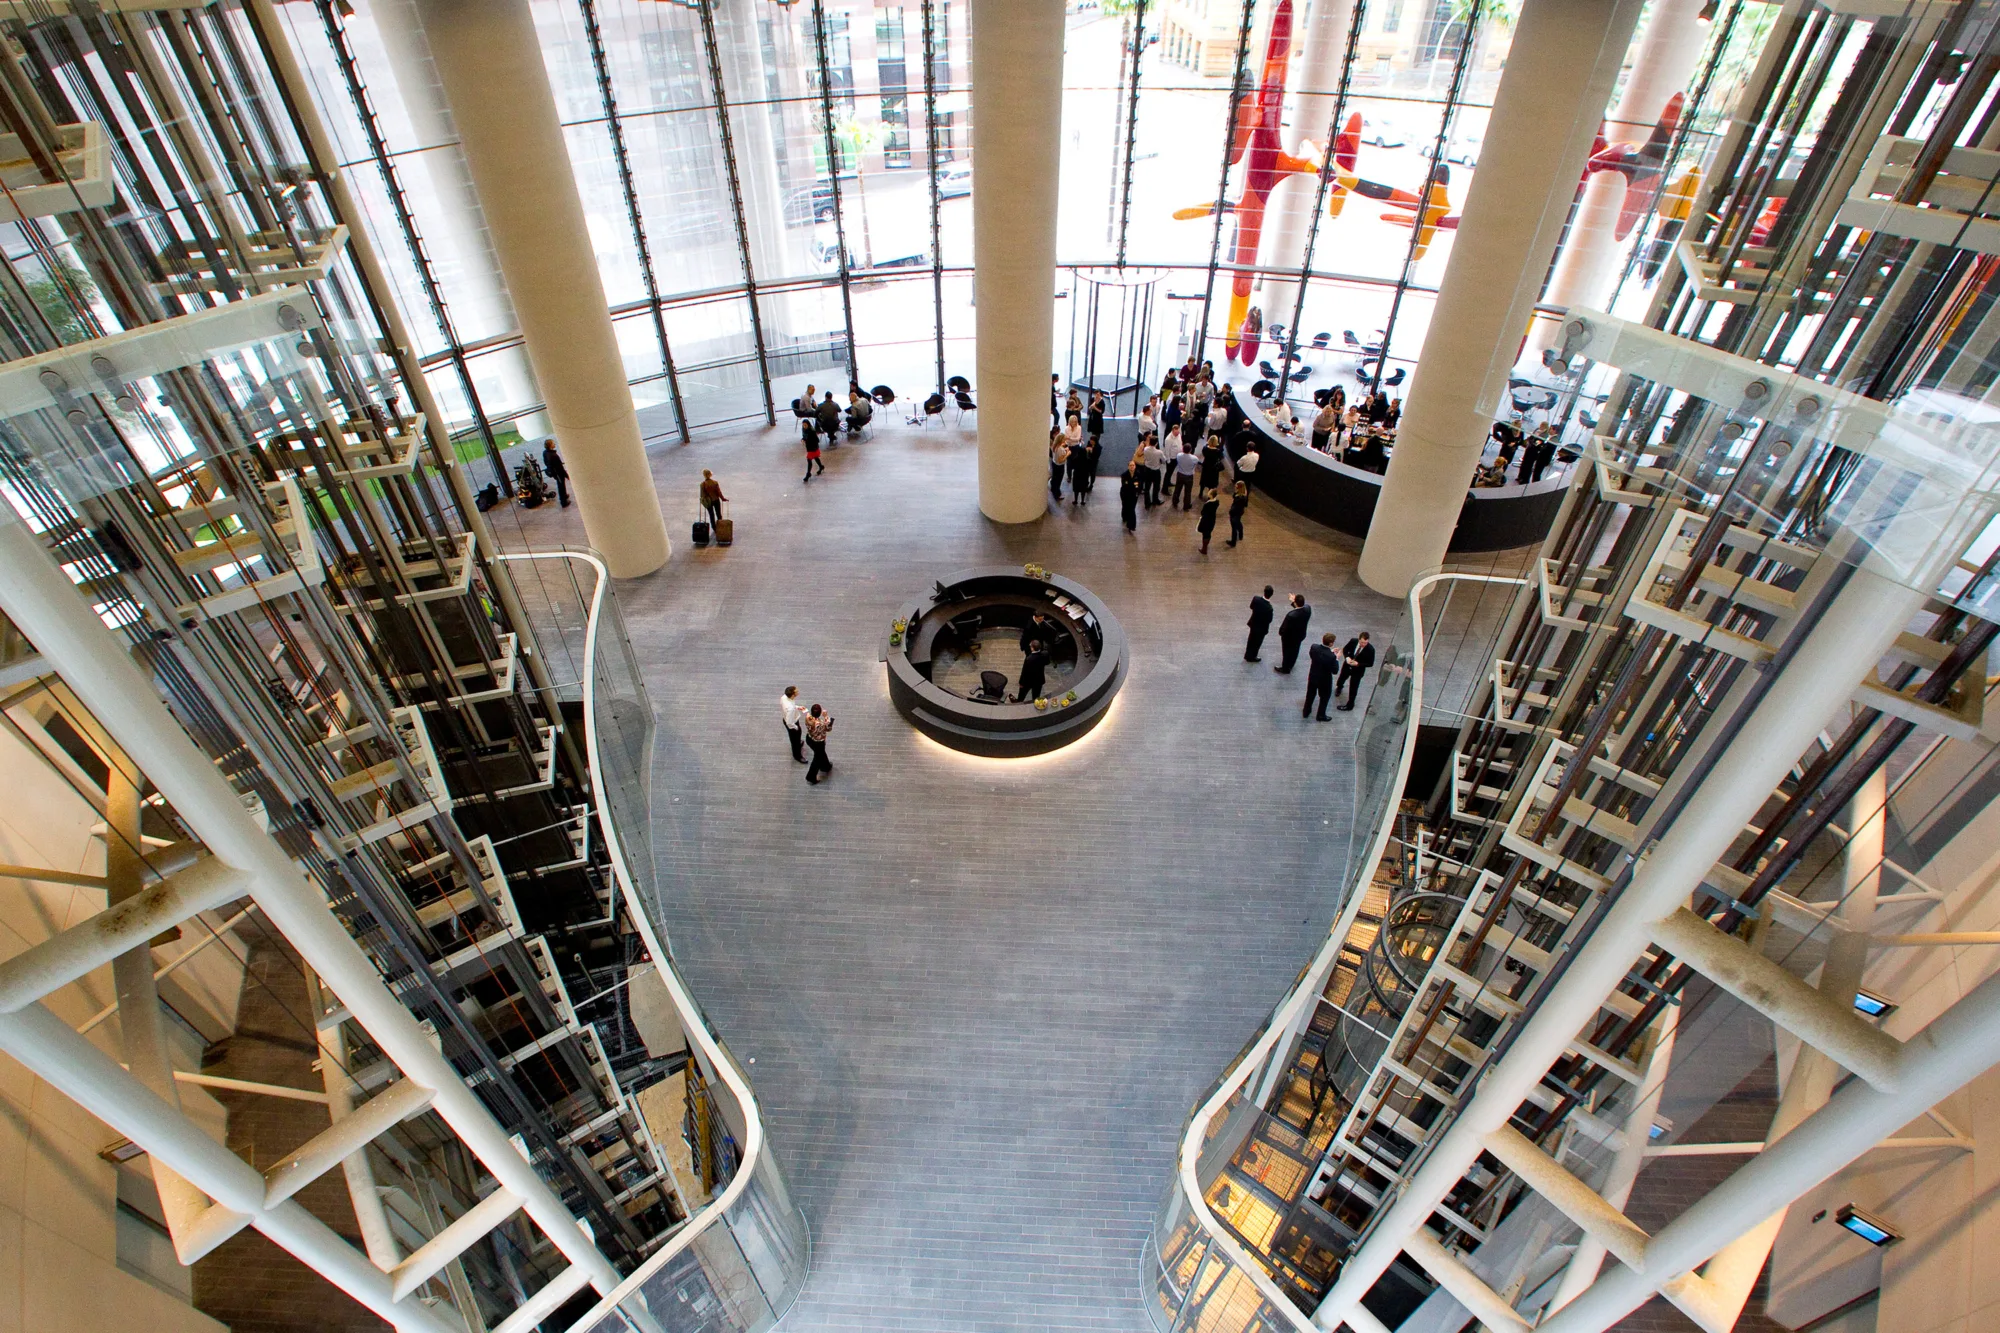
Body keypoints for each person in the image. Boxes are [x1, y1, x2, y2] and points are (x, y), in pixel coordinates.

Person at [1305, 632, 1339, 721]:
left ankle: (1306, 711)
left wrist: (1330, 653)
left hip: (1313, 676)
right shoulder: (1332, 657)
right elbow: (1335, 671)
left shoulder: (1314, 647)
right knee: (1324, 697)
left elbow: (1314, 655)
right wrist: (1337, 658)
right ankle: (1321, 715)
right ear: (1331, 643)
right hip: (1324, 680)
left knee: (1310, 694)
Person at [1337, 631, 1376, 711]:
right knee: (1342, 677)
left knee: (1354, 687)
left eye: (1365, 643)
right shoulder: (1353, 641)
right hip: (1347, 665)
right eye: (1362, 642)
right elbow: (1345, 649)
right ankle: (1339, 687)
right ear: (1359, 640)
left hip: (1358, 671)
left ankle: (1350, 705)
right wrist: (1347, 657)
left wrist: (1358, 664)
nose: (1363, 644)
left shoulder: (1370, 649)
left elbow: (1370, 663)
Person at [1275, 593, 1312, 674]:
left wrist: (1281, 633)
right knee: (1295, 650)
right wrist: (1294, 602)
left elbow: (1284, 629)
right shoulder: (1308, 609)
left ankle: (1285, 668)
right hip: (1300, 635)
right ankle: (1291, 664)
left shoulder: (1291, 616)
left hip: (1289, 638)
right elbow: (1300, 609)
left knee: (1287, 652)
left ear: (1295, 603)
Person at [803, 703, 835, 784]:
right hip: (818, 742)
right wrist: (826, 716)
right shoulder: (819, 724)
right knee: (817, 758)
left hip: (809, 738)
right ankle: (811, 777)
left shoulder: (808, 717)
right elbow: (828, 728)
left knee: (820, 754)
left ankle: (826, 766)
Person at [1245, 585, 1274, 662]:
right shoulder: (1269, 608)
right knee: (1257, 643)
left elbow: (1251, 607)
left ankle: (1247, 655)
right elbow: (1269, 620)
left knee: (1251, 640)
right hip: (1261, 628)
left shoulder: (1256, 599)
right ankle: (1253, 656)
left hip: (1253, 624)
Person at [781, 685, 807, 763]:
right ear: (792, 695)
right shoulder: (790, 709)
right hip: (792, 723)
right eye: (796, 691)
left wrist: (797, 707)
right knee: (794, 740)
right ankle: (797, 756)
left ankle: (798, 743)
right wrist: (796, 727)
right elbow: (789, 723)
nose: (798, 691)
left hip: (788, 718)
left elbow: (790, 705)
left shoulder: (784, 697)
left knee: (797, 737)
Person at [541, 440, 570, 508]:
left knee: (561, 485)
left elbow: (546, 462)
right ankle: (563, 502)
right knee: (561, 486)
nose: (555, 444)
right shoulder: (554, 455)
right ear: (550, 445)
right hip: (558, 473)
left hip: (554, 473)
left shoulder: (545, 453)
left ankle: (565, 495)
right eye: (553, 443)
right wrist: (566, 475)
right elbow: (560, 467)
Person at [1138, 436, 1165, 507]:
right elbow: (1164, 461)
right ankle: (1155, 500)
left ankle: (1147, 503)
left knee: (1147, 487)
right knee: (1156, 486)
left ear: (1149, 442)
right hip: (1156, 471)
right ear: (1156, 443)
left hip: (1147, 470)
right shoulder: (1159, 452)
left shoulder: (1146, 449)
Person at [1171, 442, 1198, 510]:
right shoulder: (1194, 458)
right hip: (1189, 476)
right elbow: (1195, 464)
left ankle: (1175, 501)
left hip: (1180, 474)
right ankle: (1186, 505)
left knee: (1177, 489)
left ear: (1183, 449)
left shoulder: (1179, 455)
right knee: (1188, 492)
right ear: (1190, 450)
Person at [1197, 487, 1220, 554]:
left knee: (1205, 534)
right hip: (1212, 519)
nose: (1208, 493)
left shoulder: (1208, 504)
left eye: (1209, 493)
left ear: (1211, 495)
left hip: (1206, 520)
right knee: (1208, 533)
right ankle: (1206, 545)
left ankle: (1204, 549)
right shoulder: (1217, 502)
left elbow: (1203, 512)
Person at [1226, 480, 1249, 547]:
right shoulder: (1241, 494)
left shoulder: (1240, 498)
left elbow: (1236, 506)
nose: (1235, 486)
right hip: (1239, 512)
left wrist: (1231, 512)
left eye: (1236, 486)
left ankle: (1233, 542)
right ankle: (1241, 534)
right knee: (1238, 522)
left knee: (1234, 528)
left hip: (1235, 513)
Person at [801, 416, 824, 481]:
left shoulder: (812, 431)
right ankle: (821, 466)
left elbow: (817, 440)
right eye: (803, 425)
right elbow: (804, 437)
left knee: (809, 460)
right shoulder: (804, 430)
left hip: (813, 448)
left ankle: (808, 474)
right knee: (816, 458)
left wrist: (807, 440)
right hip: (809, 447)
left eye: (805, 425)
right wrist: (803, 439)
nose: (804, 426)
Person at [1120, 463, 1140, 533]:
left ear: (1135, 466)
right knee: (1125, 507)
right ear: (1128, 466)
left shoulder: (1138, 475)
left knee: (1132, 509)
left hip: (1134, 495)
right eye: (1130, 465)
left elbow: (1140, 485)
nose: (1132, 467)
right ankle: (1125, 517)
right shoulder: (1124, 475)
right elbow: (1124, 486)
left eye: (1133, 465)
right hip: (1125, 494)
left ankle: (1131, 525)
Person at [1049, 429, 1069, 501]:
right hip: (1059, 466)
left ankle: (1053, 489)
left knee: (1054, 478)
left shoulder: (1054, 446)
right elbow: (1061, 460)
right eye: (1064, 439)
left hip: (1054, 464)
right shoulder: (1060, 449)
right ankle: (1057, 494)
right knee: (1058, 480)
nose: (1065, 440)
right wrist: (1067, 454)